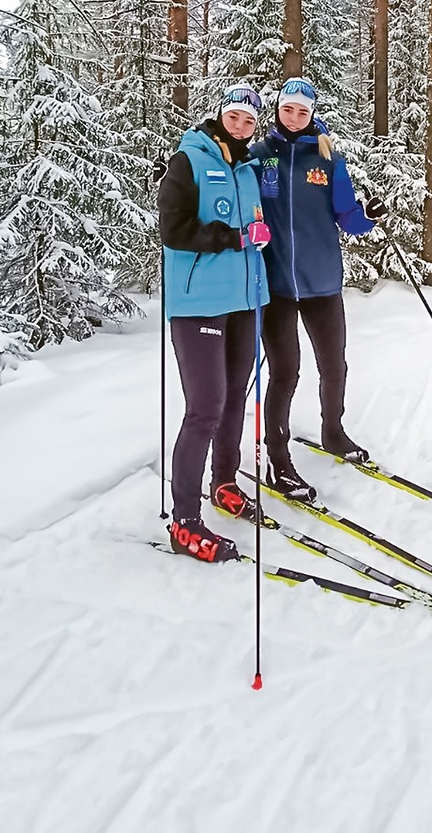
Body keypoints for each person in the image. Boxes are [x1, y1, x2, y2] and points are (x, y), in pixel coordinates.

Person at [251, 77, 386, 501]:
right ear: (277, 110)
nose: (294, 117)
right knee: (285, 372)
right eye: (287, 109)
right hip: (275, 285)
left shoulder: (328, 159)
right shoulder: (258, 157)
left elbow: (347, 217)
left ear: (311, 114)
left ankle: (333, 431)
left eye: (302, 111)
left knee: (334, 364)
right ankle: (277, 457)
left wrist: (369, 216)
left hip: (322, 281)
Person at [158, 84, 271, 563]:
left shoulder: (248, 168)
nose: (241, 127)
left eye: (249, 121)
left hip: (245, 300)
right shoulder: (189, 159)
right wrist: (236, 237)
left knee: (232, 400)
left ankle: (223, 482)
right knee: (204, 407)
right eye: (234, 117)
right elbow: (174, 229)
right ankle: (184, 522)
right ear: (220, 115)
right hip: (199, 302)